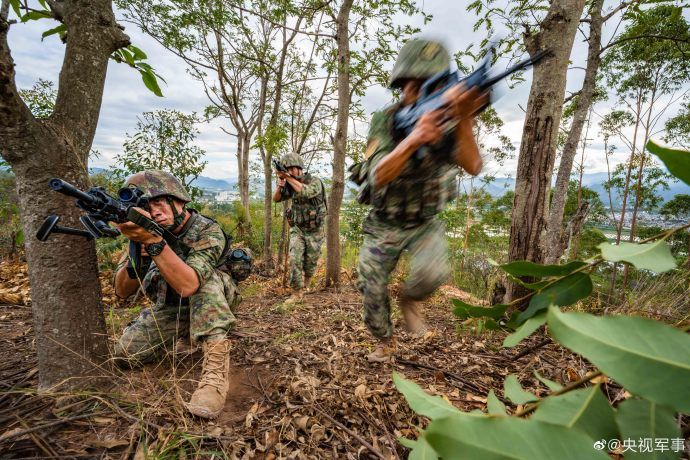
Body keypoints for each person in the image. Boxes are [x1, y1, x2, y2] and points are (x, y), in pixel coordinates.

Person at [351, 39, 486, 363]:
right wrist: (414, 138)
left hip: (424, 221)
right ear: (403, 86)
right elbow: (378, 175)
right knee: (370, 284)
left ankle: (408, 299)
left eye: (434, 83)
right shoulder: (385, 120)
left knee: (431, 276)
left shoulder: (451, 120)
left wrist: (465, 118)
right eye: (416, 84)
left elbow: (473, 166)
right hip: (385, 222)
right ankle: (385, 341)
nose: (423, 90)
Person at [112, 170, 241, 419]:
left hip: (213, 301)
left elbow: (189, 285)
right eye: (146, 207)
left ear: (179, 201)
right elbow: (122, 291)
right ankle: (185, 328)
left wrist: (156, 244)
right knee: (126, 355)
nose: (155, 211)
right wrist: (137, 251)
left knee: (204, 280)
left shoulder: (207, 230)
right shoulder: (143, 232)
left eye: (159, 202)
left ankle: (214, 377)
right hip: (172, 307)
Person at [272, 153, 327, 298]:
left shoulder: (315, 182)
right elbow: (276, 199)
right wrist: (280, 185)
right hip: (298, 229)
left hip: (315, 231)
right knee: (295, 258)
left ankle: (307, 284)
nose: (289, 172)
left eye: (290, 169)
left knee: (310, 264)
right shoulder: (290, 184)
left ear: (299, 168)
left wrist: (288, 177)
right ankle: (296, 293)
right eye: (287, 170)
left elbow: (306, 192)